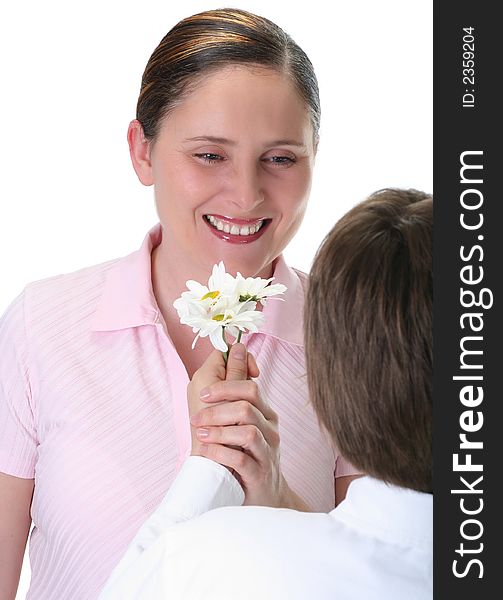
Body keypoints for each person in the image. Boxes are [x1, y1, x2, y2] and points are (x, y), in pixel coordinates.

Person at [0, 9, 360, 599]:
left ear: (315, 156)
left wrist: (276, 496)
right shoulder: (42, 327)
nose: (246, 196)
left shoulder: (355, 338)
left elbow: (387, 580)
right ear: (142, 151)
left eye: (281, 158)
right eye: (210, 155)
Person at [98, 187, 433, 599]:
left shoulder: (207, 559)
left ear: (326, 387)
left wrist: (208, 471)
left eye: (280, 157)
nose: (245, 195)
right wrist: (278, 497)